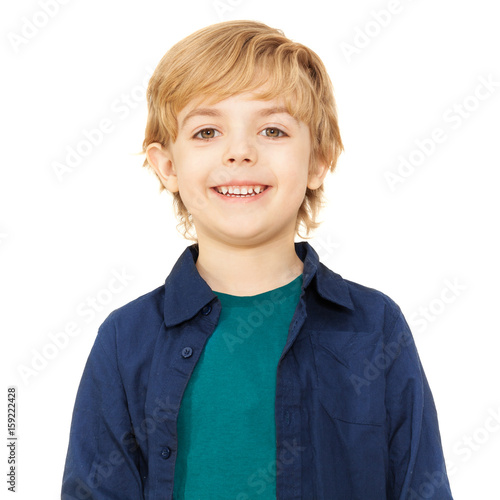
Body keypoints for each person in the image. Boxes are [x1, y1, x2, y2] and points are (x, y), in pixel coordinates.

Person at [61, 20, 453, 499]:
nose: (240, 152)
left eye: (272, 129)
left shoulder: (375, 327)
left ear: (318, 160)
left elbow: (421, 487)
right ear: (168, 166)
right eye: (207, 131)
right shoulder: (125, 339)